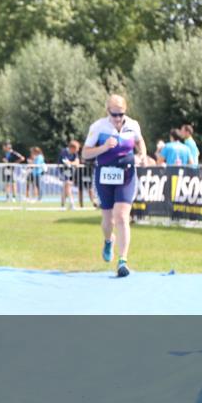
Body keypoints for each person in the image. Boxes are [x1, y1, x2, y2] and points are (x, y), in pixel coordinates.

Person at [81, 94, 146, 278]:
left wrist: (142, 156)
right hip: (104, 175)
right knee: (108, 221)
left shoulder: (132, 125)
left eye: (121, 114)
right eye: (114, 114)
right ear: (107, 111)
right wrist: (104, 147)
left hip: (126, 174)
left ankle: (123, 261)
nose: (118, 118)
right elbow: (85, 154)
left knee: (122, 216)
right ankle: (108, 240)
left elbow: (140, 141)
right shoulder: (98, 127)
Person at [58, 140, 80, 210]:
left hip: (70, 172)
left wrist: (71, 163)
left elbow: (77, 162)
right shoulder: (64, 152)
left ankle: (63, 205)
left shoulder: (75, 153)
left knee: (66, 189)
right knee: (67, 187)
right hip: (63, 172)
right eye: (76, 149)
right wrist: (72, 163)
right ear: (72, 148)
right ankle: (72, 203)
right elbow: (66, 162)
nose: (77, 150)